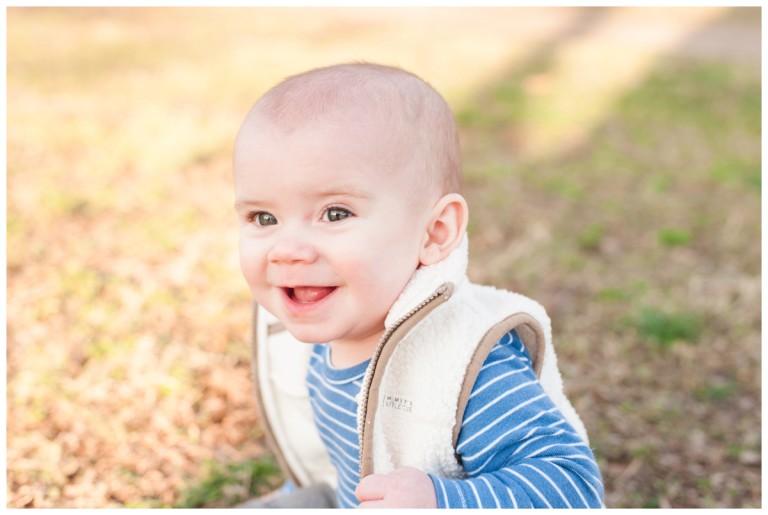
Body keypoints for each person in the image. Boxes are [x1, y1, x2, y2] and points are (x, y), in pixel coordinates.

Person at [233, 62, 604, 508]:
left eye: (335, 213)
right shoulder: (313, 333)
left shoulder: (466, 366)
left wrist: (439, 500)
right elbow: (344, 464)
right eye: (264, 218)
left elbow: (573, 487)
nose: (287, 250)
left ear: (434, 233)